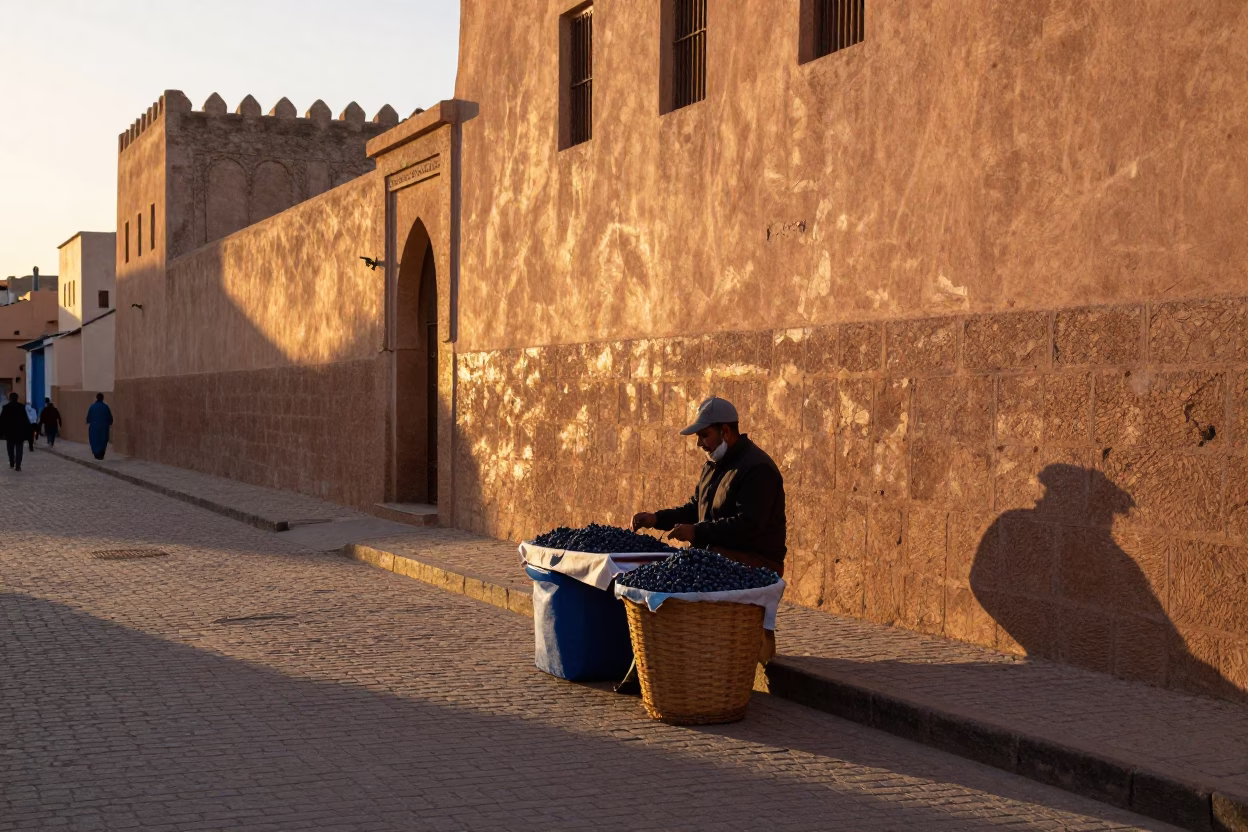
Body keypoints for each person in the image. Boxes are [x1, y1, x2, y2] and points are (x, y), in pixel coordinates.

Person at [632, 395, 787, 662]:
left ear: (725, 431)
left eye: (704, 436)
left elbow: (748, 525)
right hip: (716, 553)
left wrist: (697, 533)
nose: (699, 443)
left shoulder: (757, 469)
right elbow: (695, 509)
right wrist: (656, 519)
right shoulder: (713, 466)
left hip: (756, 562)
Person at [1, 393, 30, 471]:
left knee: (10, 448)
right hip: (20, 432)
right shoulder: (21, 407)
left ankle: (11, 462)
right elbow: (25, 420)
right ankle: (18, 465)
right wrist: (27, 432)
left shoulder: (6, 407)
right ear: (17, 398)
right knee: (19, 449)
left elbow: (2, 421)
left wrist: (1, 433)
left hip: (9, 432)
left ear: (10, 398)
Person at [86, 393, 113, 460]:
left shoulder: (92, 407)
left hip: (94, 427)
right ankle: (101, 453)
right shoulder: (105, 407)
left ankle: (96, 453)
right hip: (104, 427)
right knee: (103, 439)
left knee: (94, 439)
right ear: (102, 398)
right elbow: (110, 418)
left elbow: (88, 418)